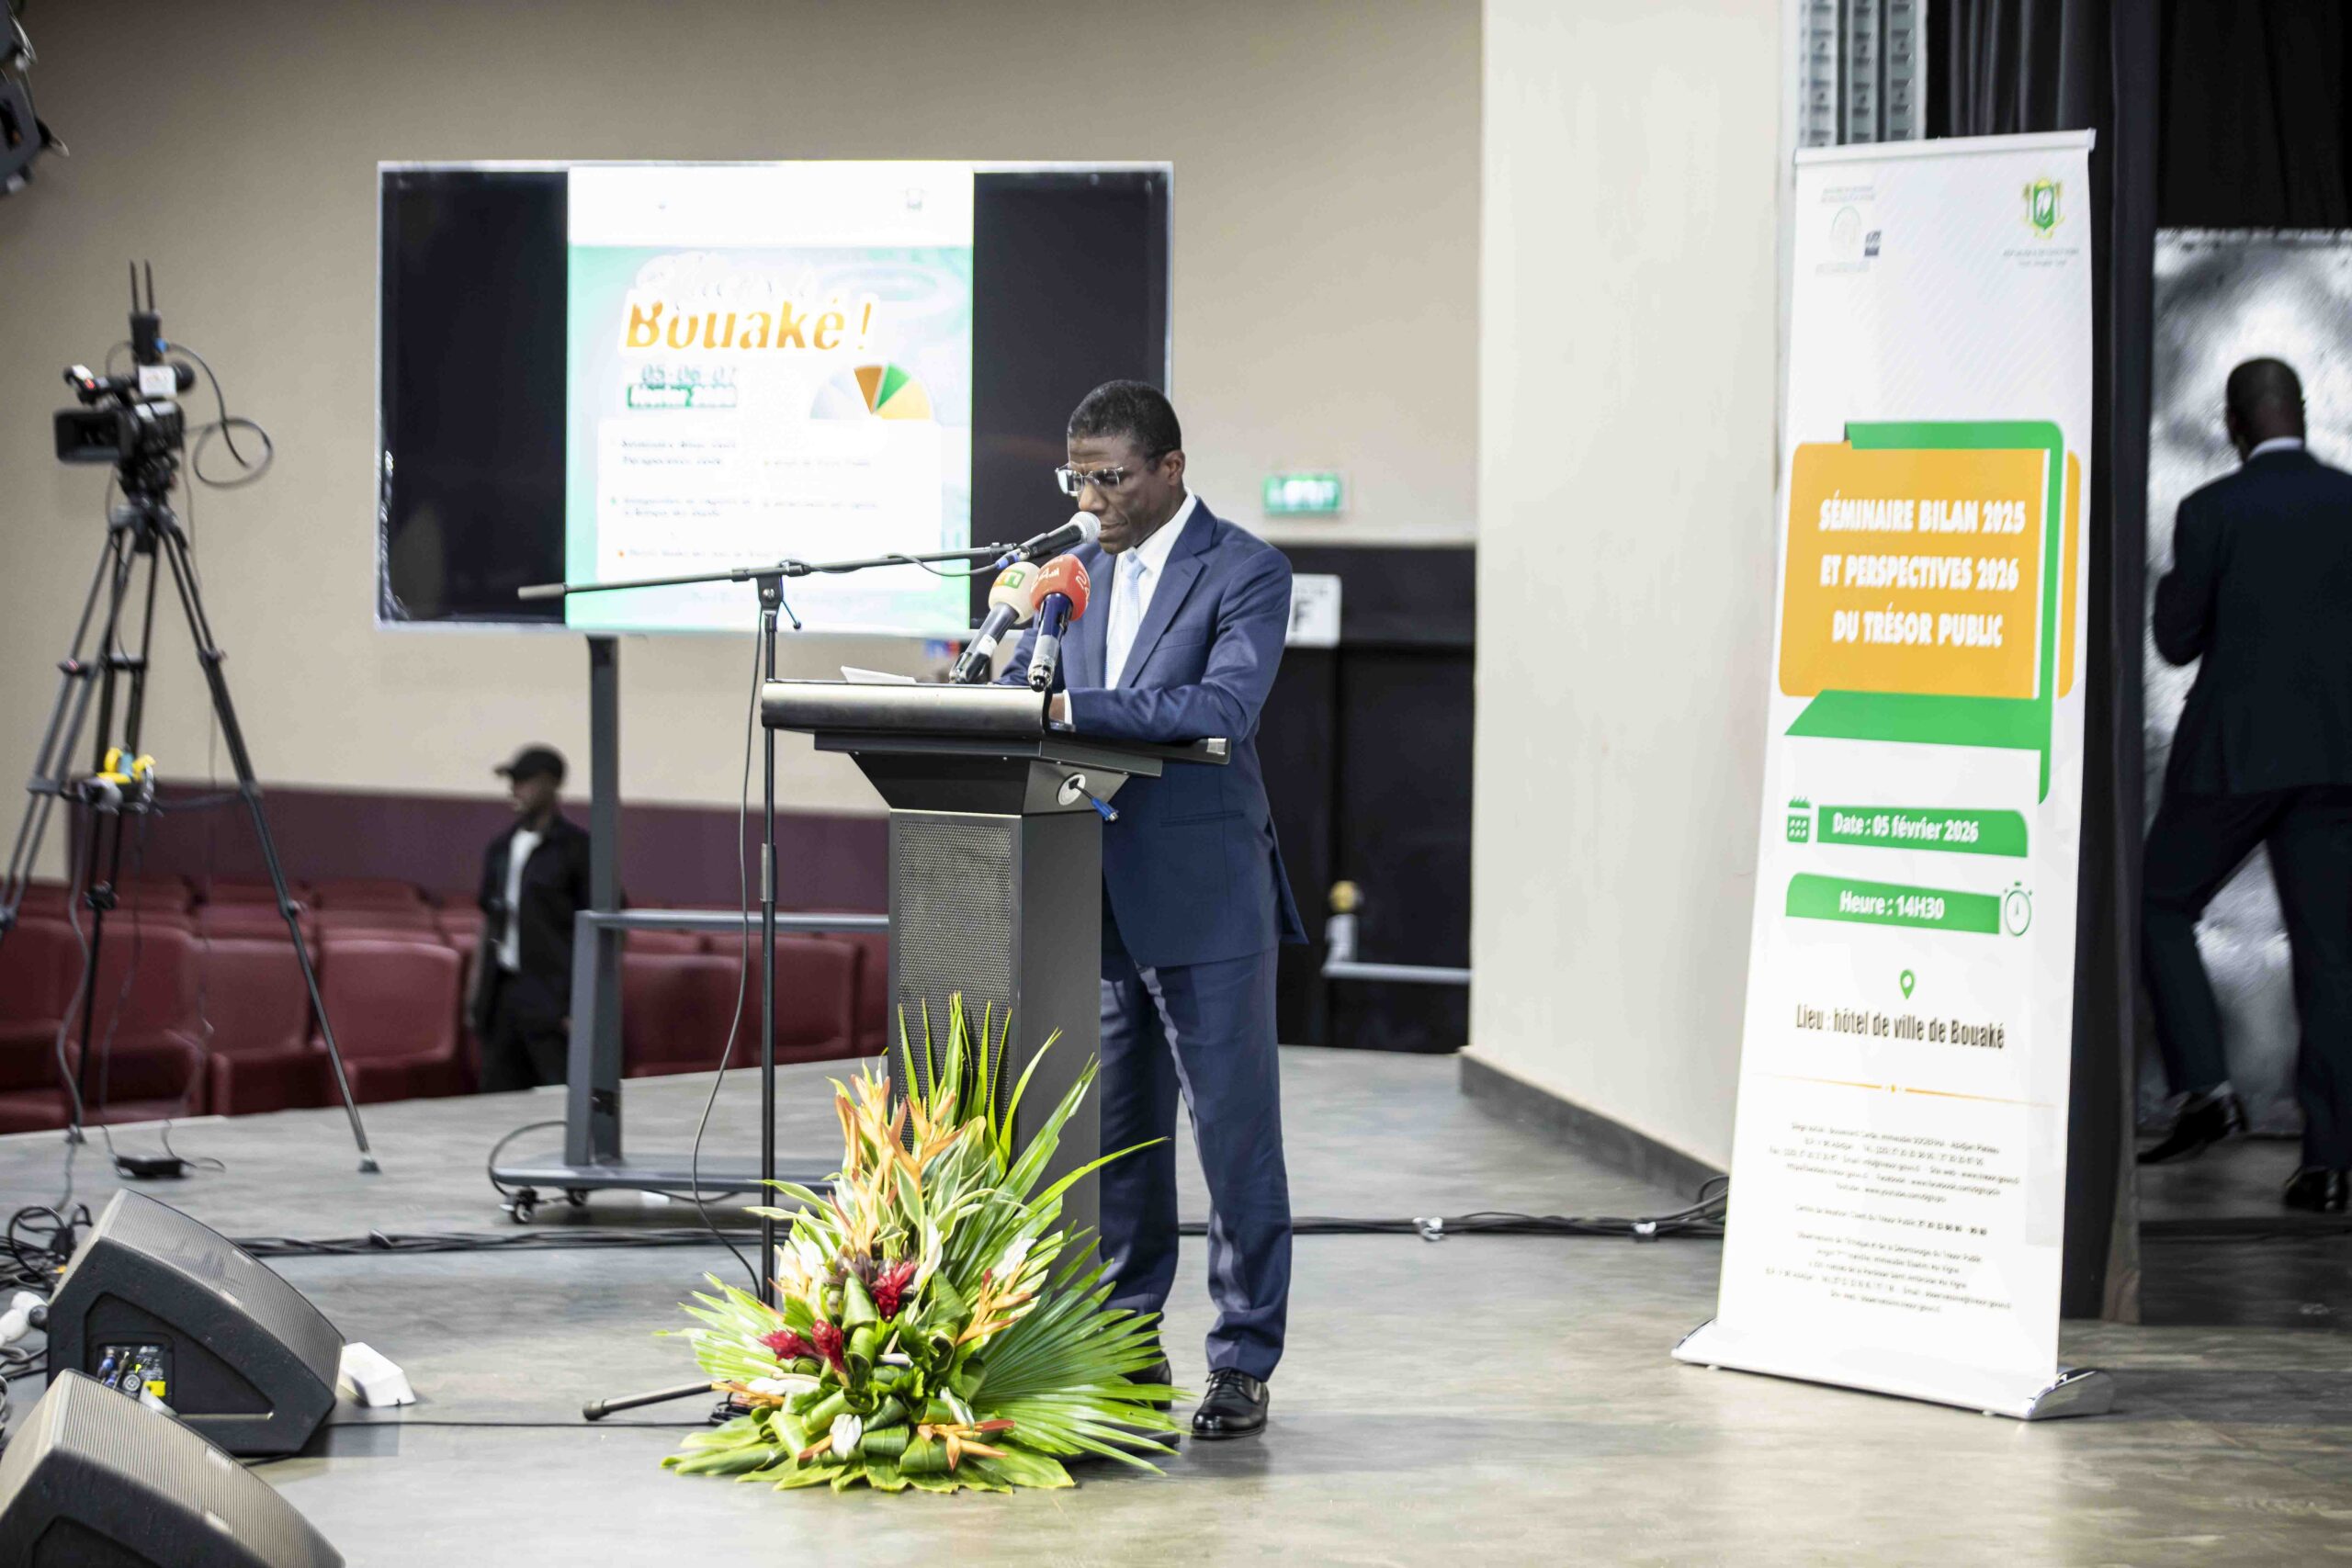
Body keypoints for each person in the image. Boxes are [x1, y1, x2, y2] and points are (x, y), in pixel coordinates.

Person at [1001, 380, 1306, 1438]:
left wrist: (1067, 709)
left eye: (1111, 479)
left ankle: (1242, 1358)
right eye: (1076, 478)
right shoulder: (1067, 577)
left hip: (1206, 900)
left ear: (1170, 469)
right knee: (1120, 1146)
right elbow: (1022, 687)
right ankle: (1128, 1344)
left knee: (1233, 1142)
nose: (1090, 500)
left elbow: (1221, 705)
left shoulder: (1246, 569)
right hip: (1090, 893)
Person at [2142, 357, 2352, 1213]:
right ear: (2302, 410)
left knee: (2159, 903)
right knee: (2330, 955)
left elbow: (2176, 642)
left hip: (2232, 761)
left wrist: (2175, 583)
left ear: (2233, 425)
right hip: (2335, 763)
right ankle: (2330, 1165)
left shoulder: (2210, 511)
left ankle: (2206, 1089)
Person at [470, 744, 594, 1093]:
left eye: (524, 781)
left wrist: (581, 1004)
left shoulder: (578, 849)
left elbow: (604, 932)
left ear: (551, 784)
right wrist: (476, 996)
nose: (514, 790)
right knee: (497, 1098)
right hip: (503, 995)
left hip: (553, 1000)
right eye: (512, 782)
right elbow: (488, 921)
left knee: (560, 1096)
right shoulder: (501, 847)